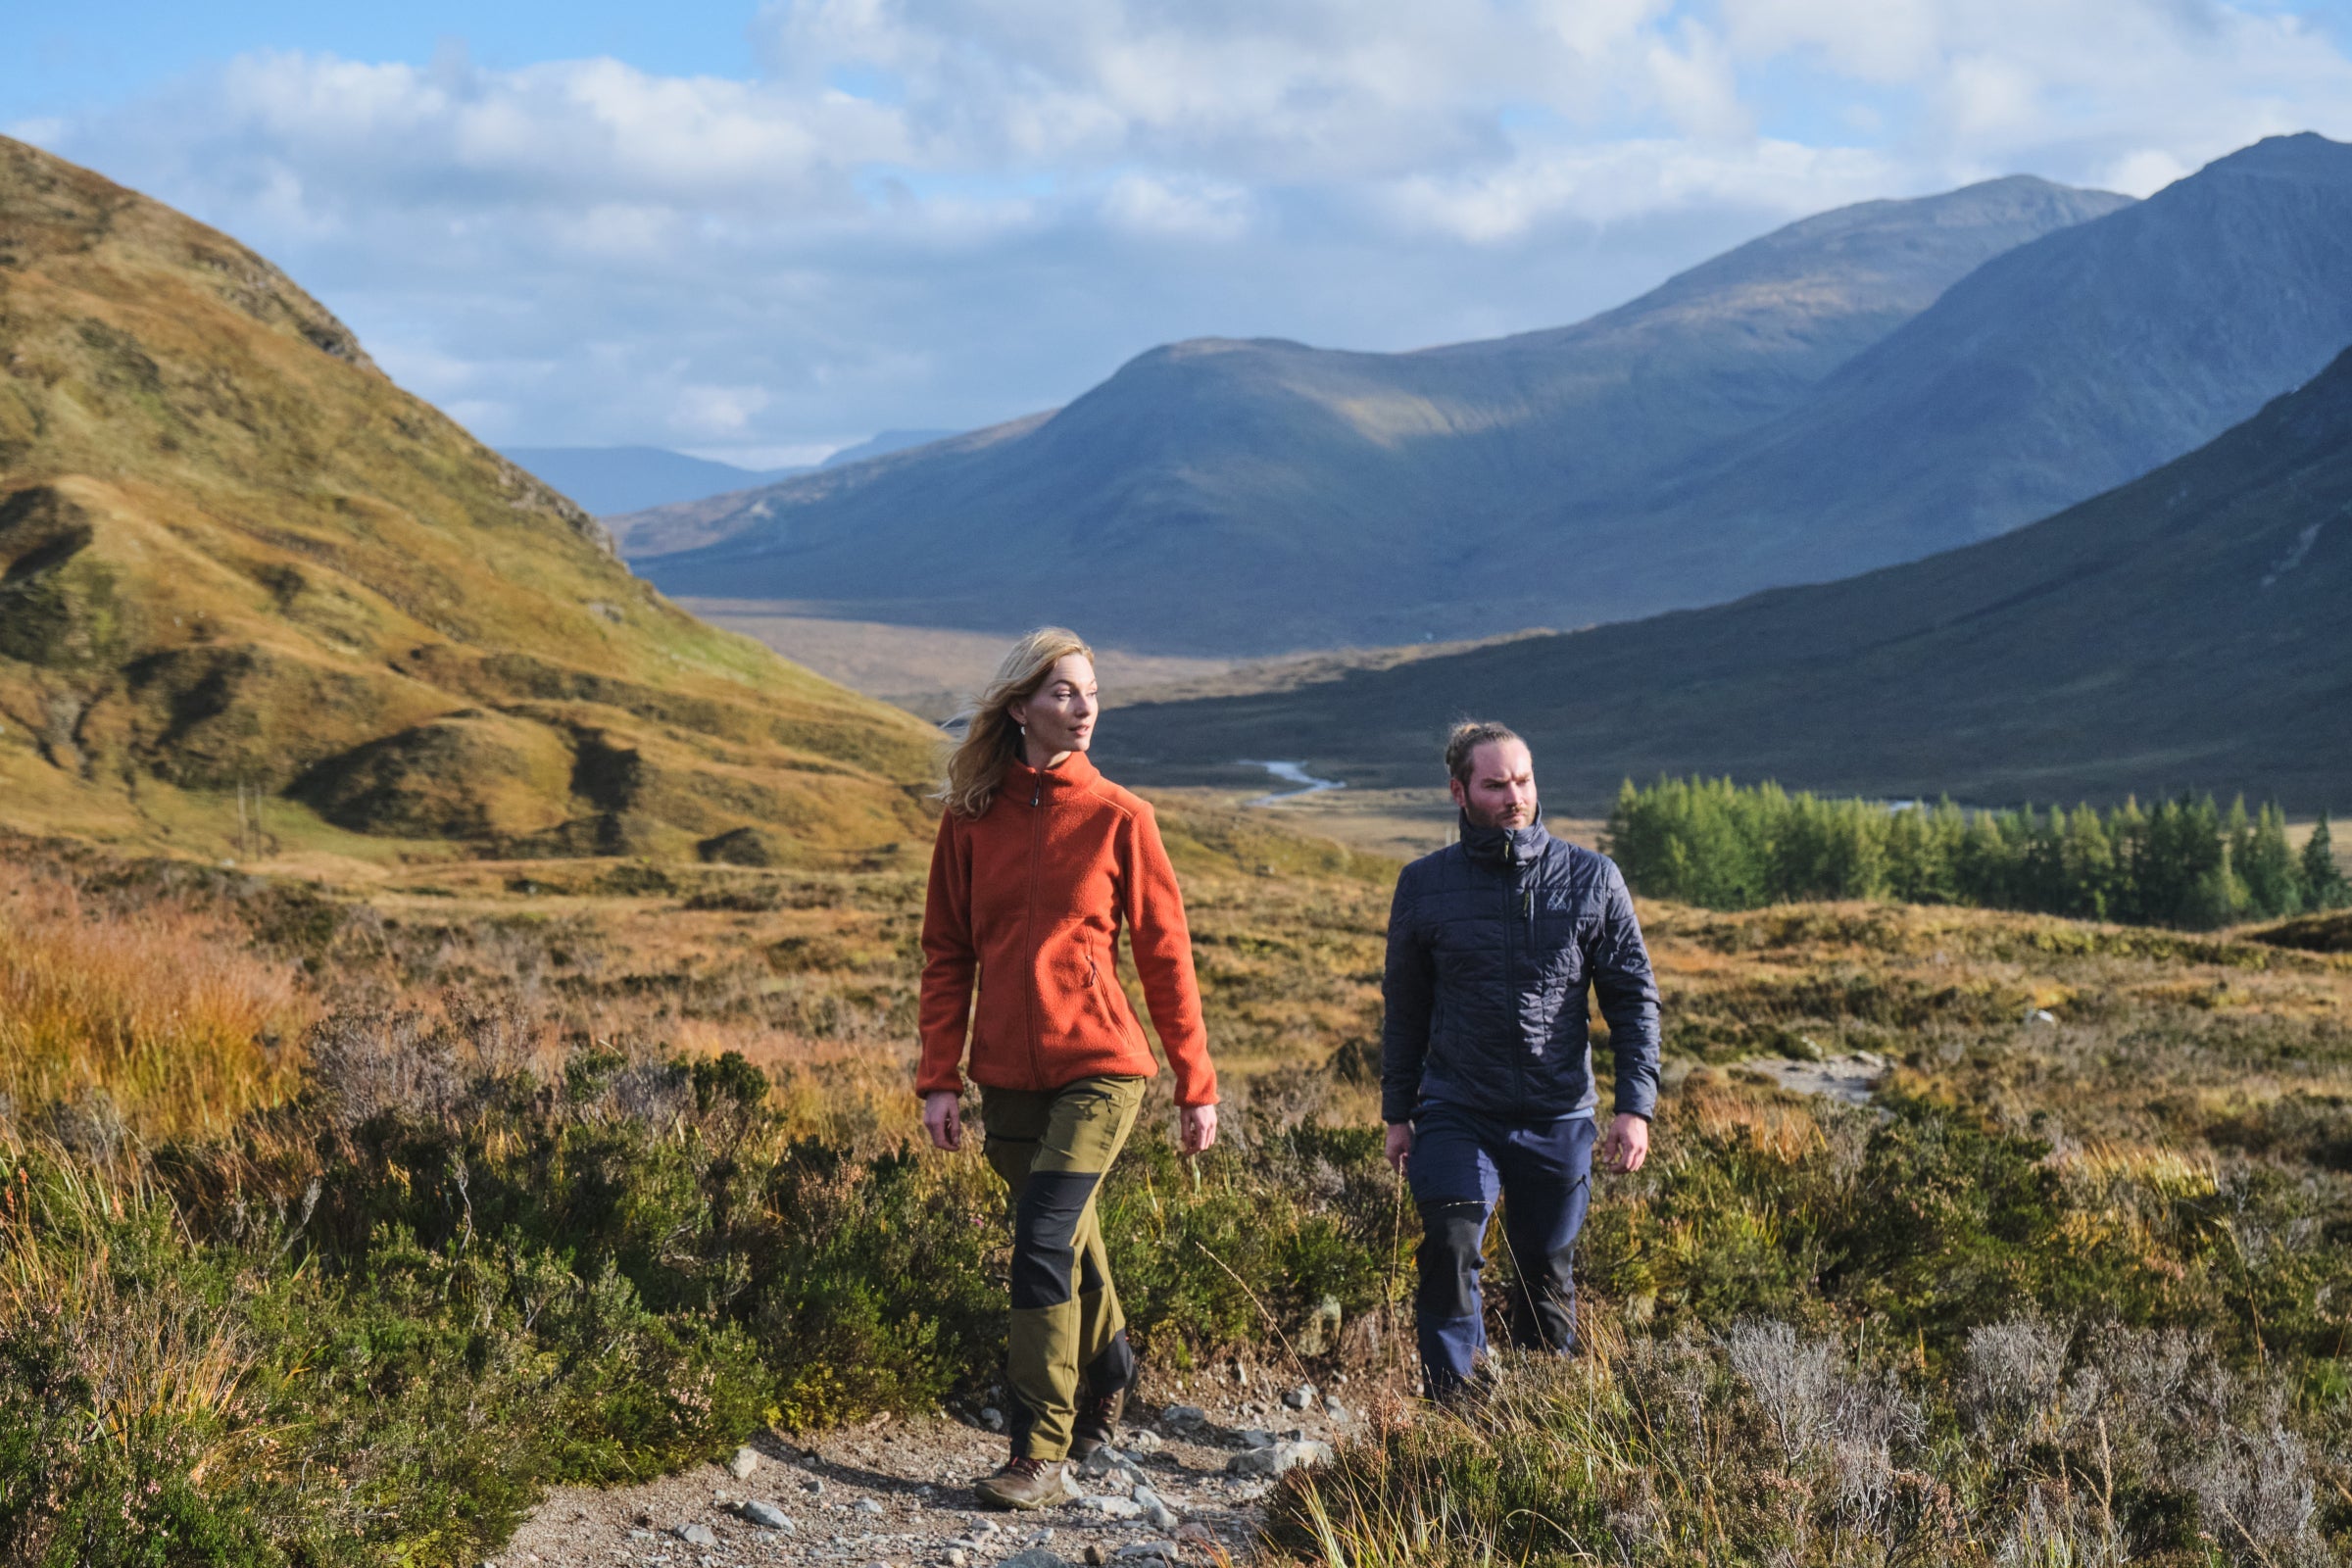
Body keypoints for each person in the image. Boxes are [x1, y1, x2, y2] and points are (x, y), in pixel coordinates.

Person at [918, 627, 1221, 1510]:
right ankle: (1114, 1357)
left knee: (1043, 1238)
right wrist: (942, 1075)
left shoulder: (1122, 818)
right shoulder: (970, 821)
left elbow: (1168, 960)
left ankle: (1037, 1452)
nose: (1083, 707)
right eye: (1062, 693)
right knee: (1070, 1236)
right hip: (1006, 1074)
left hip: (1101, 1066)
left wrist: (1194, 1084)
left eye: (1090, 692)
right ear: (1020, 708)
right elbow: (946, 954)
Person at [1380, 720, 1660, 1400]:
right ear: (1459, 791)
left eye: (1523, 780)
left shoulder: (1592, 878)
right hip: (1455, 1110)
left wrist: (1634, 1108)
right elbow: (1405, 1010)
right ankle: (1458, 1410)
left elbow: (1633, 998)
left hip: (1558, 1113)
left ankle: (1545, 1420)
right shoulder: (1423, 886)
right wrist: (1398, 1113)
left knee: (1544, 1272)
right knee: (1449, 1247)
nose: (1514, 796)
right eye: (1495, 784)